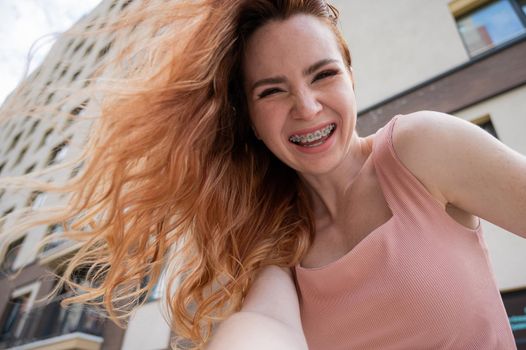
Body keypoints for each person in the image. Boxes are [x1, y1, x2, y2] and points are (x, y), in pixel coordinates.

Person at [10, 0, 525, 349]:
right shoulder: (275, 245)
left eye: (323, 74)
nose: (306, 106)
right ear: (251, 121)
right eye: (272, 91)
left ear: (350, 77)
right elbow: (263, 327)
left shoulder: (422, 148)